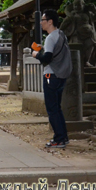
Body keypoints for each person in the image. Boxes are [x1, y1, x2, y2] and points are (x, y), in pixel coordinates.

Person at [31, 9, 72, 148]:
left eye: (43, 20)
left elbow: (47, 58)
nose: (41, 23)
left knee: (52, 109)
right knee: (57, 108)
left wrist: (36, 55)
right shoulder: (61, 35)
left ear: (50, 22)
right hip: (61, 76)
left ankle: (59, 138)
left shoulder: (50, 37)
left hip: (51, 75)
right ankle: (63, 136)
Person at [60, 0, 96, 66]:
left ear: (83, 5)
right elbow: (63, 25)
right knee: (77, 49)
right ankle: (77, 64)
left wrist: (94, 10)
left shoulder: (88, 14)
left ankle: (86, 61)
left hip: (89, 35)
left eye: (78, 5)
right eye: (75, 6)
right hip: (77, 35)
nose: (76, 7)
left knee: (89, 46)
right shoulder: (72, 16)